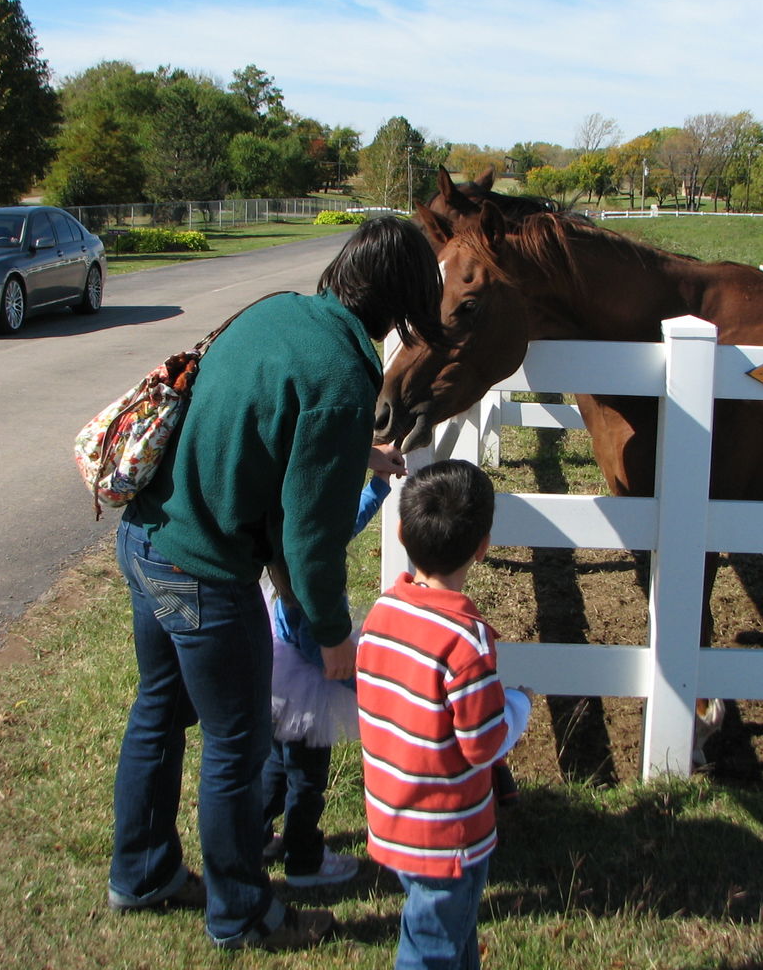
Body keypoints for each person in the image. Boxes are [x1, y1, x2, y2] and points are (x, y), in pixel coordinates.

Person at [108, 217, 445, 951]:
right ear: (402, 301)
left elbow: (265, 414)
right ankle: (243, 914)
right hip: (203, 573)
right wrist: (330, 634)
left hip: (144, 538)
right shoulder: (342, 377)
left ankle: (141, 875)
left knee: (158, 713)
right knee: (239, 746)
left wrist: (358, 449)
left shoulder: (278, 311)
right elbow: (309, 538)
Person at [356, 459, 533, 970]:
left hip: (393, 814)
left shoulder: (383, 612)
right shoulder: (466, 640)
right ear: (483, 546)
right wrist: (518, 704)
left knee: (454, 936)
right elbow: (483, 743)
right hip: (449, 833)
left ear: (401, 531)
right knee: (430, 947)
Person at [260, 444, 400, 888]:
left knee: (275, 765)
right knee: (307, 778)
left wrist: (377, 487)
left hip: (276, 673)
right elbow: (317, 646)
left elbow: (345, 524)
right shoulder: (310, 586)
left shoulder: (290, 542)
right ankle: (304, 858)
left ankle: (257, 836)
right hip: (309, 685)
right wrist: (366, 690)